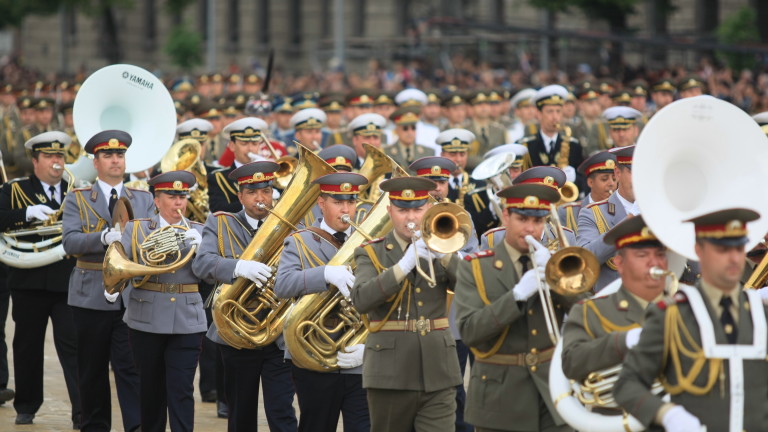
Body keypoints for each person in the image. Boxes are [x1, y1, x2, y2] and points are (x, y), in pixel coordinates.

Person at [615, 208, 768, 431]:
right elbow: (627, 385)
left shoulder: (760, 313)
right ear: (699, 250)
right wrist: (666, 414)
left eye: (739, 248)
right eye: (722, 249)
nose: (734, 258)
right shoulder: (671, 315)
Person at [455, 183, 583, 432]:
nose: (530, 229)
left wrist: (558, 276)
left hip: (553, 393)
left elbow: (587, 313)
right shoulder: (476, 266)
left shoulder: (554, 263)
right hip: (500, 397)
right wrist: (517, 296)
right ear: (506, 217)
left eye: (538, 221)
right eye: (522, 219)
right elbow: (470, 331)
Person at [351, 177, 462, 431]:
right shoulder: (370, 252)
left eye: (418, 209)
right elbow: (361, 299)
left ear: (428, 210)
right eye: (402, 210)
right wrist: (402, 267)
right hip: (389, 374)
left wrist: (445, 257)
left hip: (439, 370)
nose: (410, 217)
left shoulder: (444, 245)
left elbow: (474, 290)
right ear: (390, 211)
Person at [193, 161, 298, 432]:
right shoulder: (220, 222)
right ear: (240, 196)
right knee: (241, 414)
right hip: (236, 334)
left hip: (278, 336)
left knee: (283, 412)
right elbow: (202, 265)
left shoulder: (288, 225)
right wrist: (238, 267)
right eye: (252, 192)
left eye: (266, 191)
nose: (260, 198)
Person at [62, 130, 155, 432]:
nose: (115, 160)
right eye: (108, 155)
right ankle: (94, 426)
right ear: (96, 162)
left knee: (132, 367)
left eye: (120, 155)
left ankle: (136, 426)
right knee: (91, 369)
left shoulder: (143, 198)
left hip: (131, 294)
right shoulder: (78, 198)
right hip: (91, 293)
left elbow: (151, 241)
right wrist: (101, 238)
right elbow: (70, 242)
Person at [273, 172, 370, 432]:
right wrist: (324, 274)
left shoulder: (369, 243)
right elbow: (282, 285)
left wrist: (371, 345)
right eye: (338, 202)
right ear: (321, 203)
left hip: (358, 354)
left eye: (351, 202)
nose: (346, 209)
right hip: (313, 353)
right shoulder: (300, 240)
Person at [114, 171, 206, 432]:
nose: (179, 203)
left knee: (182, 389)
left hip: (187, 319)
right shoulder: (137, 228)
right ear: (157, 200)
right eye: (172, 197)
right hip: (147, 317)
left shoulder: (200, 230)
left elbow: (211, 275)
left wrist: (202, 251)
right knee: (150, 389)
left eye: (182, 197)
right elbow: (124, 267)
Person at [0, 131, 80, 426]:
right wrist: (27, 213)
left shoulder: (77, 191)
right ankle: (26, 406)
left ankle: (82, 411)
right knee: (27, 347)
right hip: (28, 282)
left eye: (59, 156)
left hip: (66, 281)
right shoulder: (15, 190)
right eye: (48, 156)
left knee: (74, 347)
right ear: (35, 161)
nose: (56, 162)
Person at [409, 156, 478, 432]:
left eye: (442, 182)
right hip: (413, 317)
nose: (438, 188)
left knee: (455, 389)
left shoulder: (460, 216)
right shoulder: (407, 216)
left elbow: (473, 261)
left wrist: (448, 252)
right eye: (431, 182)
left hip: (451, 321)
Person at [561, 216, 668, 386]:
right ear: (620, 263)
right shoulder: (591, 312)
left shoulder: (685, 307)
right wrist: (623, 341)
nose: (654, 262)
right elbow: (572, 363)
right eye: (642, 255)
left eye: (660, 254)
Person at [577, 145, 637, 291]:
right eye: (634, 172)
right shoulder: (592, 213)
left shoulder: (663, 209)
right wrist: (630, 220)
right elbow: (585, 259)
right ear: (617, 173)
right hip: (614, 300)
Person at [519, 85, 585, 192]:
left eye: (558, 111)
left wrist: (575, 178)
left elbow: (585, 182)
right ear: (539, 114)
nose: (555, 117)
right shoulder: (525, 146)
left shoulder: (574, 145)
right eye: (550, 111)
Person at [208, 117, 268, 213]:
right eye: (244, 143)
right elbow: (218, 209)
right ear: (232, 146)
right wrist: (252, 203)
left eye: (254, 143)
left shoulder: (269, 175)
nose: (250, 149)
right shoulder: (218, 177)